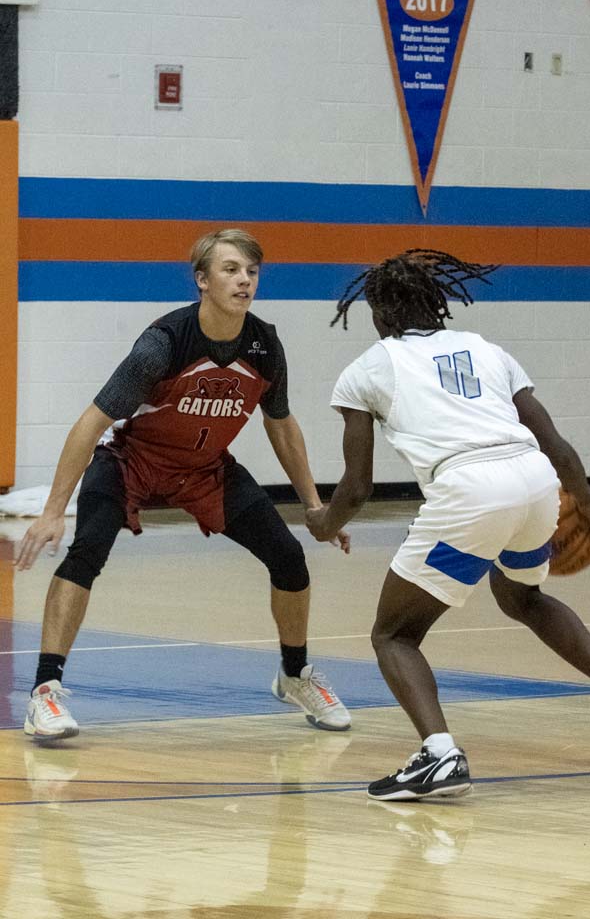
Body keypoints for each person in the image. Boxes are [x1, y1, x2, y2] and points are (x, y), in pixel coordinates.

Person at [305, 248, 590, 801]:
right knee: (524, 599)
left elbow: (357, 488)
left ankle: (441, 757)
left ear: (379, 315)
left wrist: (324, 522)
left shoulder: (369, 367)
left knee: (394, 634)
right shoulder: (485, 349)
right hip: (536, 483)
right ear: (437, 304)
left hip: (470, 493)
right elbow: (550, 438)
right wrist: (585, 493)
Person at [16, 228, 351, 739]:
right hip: (134, 460)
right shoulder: (163, 344)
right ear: (202, 279)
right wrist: (53, 509)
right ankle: (45, 692)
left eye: (251, 271)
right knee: (86, 553)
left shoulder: (264, 346)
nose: (244, 280)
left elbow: (280, 423)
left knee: (288, 557)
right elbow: (92, 421)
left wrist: (314, 506)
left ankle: (294, 674)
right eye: (231, 269)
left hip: (205, 470)